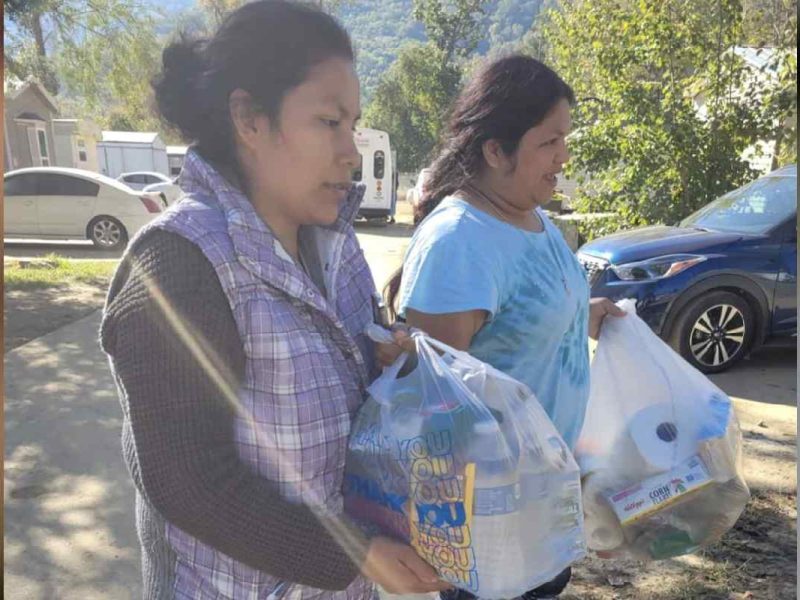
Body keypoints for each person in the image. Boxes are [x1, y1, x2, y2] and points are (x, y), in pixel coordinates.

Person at [99, 2, 450, 598]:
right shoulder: (179, 265)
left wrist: (391, 365)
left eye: (354, 124)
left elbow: (348, 385)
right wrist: (355, 551)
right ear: (250, 120)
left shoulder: (333, 248)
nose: (352, 151)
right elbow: (189, 481)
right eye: (329, 122)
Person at [384, 55, 626, 599]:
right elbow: (437, 409)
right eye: (549, 142)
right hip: (492, 524)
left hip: (546, 503)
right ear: (496, 150)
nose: (564, 156)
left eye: (565, 138)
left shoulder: (534, 219)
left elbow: (518, 325)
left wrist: (583, 317)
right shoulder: (459, 243)